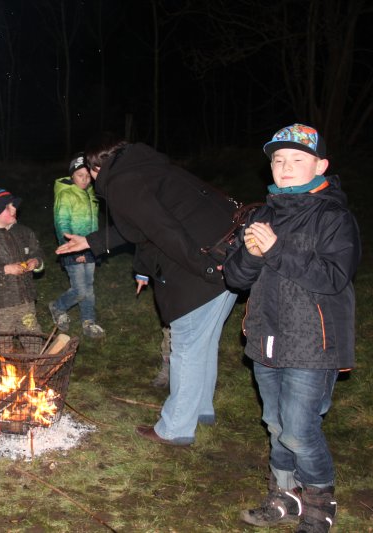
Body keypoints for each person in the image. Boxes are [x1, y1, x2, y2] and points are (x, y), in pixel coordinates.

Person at [56, 134, 238, 446]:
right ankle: (200, 409)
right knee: (203, 343)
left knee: (187, 347)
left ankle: (175, 427)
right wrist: (91, 241)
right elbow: (139, 226)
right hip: (230, 256)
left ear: (96, 167)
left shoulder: (122, 182)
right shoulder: (147, 168)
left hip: (203, 267)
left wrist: (205, 268)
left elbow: (164, 231)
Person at [223, 124, 360, 532]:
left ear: (320, 165)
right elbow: (235, 278)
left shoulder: (333, 217)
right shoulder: (261, 215)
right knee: (276, 425)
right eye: (278, 160)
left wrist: (276, 249)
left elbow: (334, 277)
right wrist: (251, 255)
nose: (285, 167)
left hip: (313, 344)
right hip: (265, 338)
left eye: (297, 159)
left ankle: (320, 504)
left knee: (299, 431)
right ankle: (283, 495)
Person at [0, 188, 44, 339]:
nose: (14, 209)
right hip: (2, 303)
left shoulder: (24, 232)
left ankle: (35, 354)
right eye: (7, 207)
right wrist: (5, 269)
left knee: (31, 334)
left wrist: (36, 261)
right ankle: (3, 354)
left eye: (13, 205)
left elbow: (37, 252)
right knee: (3, 338)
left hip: (26, 299)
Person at [48, 153, 105, 339]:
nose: (85, 179)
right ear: (72, 175)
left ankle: (88, 321)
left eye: (88, 175)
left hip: (90, 246)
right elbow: (61, 223)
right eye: (80, 175)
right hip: (72, 248)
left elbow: (94, 223)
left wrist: (95, 246)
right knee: (80, 290)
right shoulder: (65, 194)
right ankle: (58, 306)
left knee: (88, 288)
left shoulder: (90, 193)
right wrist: (73, 249)